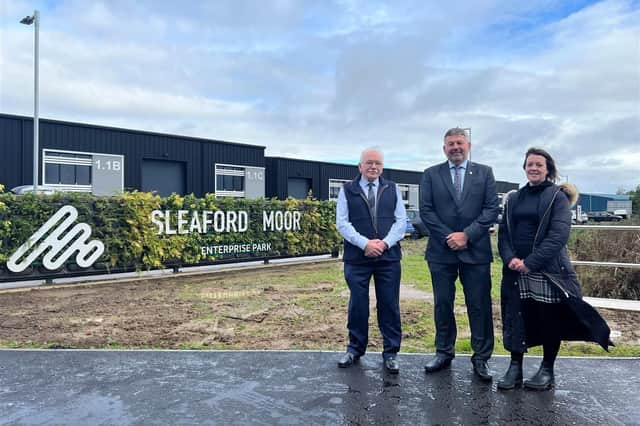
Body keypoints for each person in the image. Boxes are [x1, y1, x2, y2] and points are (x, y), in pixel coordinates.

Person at [497, 147, 612, 391]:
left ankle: (547, 369)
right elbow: (504, 233)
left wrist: (530, 262)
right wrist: (510, 259)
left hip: (547, 270)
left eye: (539, 164)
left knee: (549, 319)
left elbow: (558, 235)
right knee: (516, 317)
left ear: (548, 169)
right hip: (515, 270)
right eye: (530, 164)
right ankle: (514, 367)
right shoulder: (514, 198)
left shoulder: (556, 197)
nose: (534, 168)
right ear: (524, 167)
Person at [419, 128, 499, 381]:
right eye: (450, 143)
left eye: (459, 143)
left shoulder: (485, 173)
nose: (455, 147)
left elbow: (491, 209)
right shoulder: (431, 174)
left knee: (479, 306)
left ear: (469, 145)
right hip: (441, 252)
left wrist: (467, 235)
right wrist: (449, 237)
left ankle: (481, 358)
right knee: (443, 304)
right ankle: (444, 352)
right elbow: (426, 211)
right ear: (444, 148)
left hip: (475, 251)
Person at [336, 147, 407, 374]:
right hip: (357, 257)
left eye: (377, 163)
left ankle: (391, 353)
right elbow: (342, 223)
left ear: (382, 167)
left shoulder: (393, 188)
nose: (373, 167)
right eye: (369, 163)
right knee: (358, 304)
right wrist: (365, 244)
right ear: (360, 166)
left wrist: (384, 244)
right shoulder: (347, 190)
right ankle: (355, 349)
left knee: (389, 304)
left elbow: (400, 221)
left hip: (388, 257)